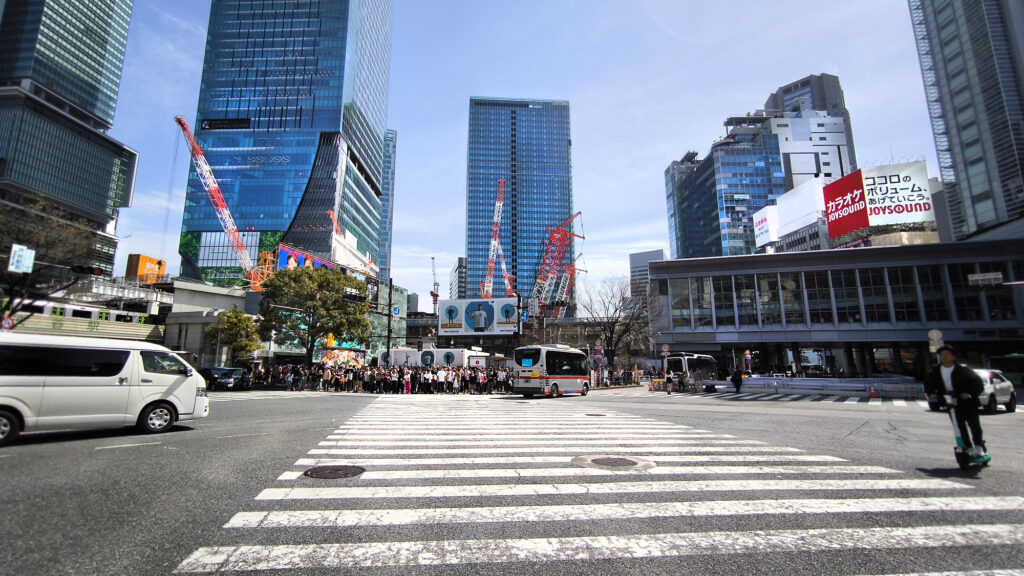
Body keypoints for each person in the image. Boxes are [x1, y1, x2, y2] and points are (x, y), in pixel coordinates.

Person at [924, 345, 986, 455]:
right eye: (942, 355)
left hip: (967, 402)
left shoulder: (964, 370)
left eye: (947, 354)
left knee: (974, 425)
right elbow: (929, 384)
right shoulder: (935, 371)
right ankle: (967, 446)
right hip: (950, 401)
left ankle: (979, 445)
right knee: (959, 426)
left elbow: (978, 384)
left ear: (954, 357)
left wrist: (969, 393)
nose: (944, 357)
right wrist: (932, 394)